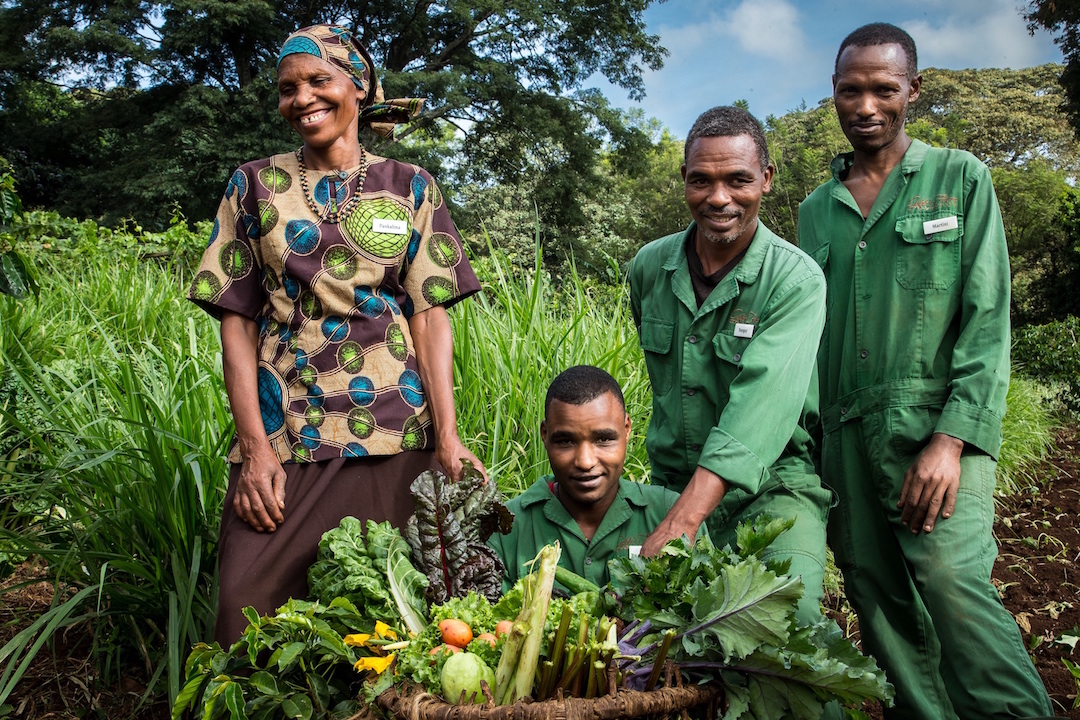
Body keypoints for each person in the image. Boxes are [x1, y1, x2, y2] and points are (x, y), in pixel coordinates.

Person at [188, 24, 484, 644]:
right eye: (287, 88)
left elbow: (431, 316)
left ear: (358, 86)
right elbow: (235, 326)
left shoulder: (411, 186)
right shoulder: (252, 185)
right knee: (246, 607)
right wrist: (255, 448)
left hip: (397, 426)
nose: (301, 99)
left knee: (398, 617)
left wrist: (449, 438)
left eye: (318, 80)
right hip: (288, 427)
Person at [798, 23, 1055, 719]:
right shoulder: (813, 213)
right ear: (834, 94)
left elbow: (986, 316)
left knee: (951, 583)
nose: (867, 105)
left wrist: (951, 440)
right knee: (876, 600)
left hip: (937, 429)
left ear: (913, 89)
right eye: (851, 89)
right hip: (845, 439)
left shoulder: (958, 178)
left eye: (885, 88)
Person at [628, 106, 833, 628]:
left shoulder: (796, 280)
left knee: (789, 618)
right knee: (642, 628)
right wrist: (673, 510)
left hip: (771, 488)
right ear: (685, 182)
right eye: (702, 181)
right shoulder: (649, 267)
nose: (719, 198)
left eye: (738, 179)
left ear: (765, 179)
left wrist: (686, 520)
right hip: (669, 484)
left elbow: (758, 408)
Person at [488, 365, 690, 592]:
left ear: (626, 429)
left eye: (604, 439)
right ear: (545, 435)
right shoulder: (504, 530)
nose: (585, 462)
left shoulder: (672, 514)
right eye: (565, 441)